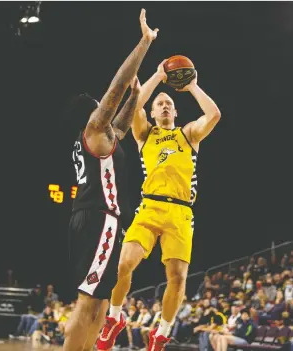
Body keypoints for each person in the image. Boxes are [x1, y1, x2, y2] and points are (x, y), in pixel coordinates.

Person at [98, 60, 221, 351]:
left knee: (177, 278)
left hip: (180, 213)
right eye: (160, 104)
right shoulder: (145, 134)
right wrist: (158, 76)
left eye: (168, 104)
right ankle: (114, 318)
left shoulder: (188, 134)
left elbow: (214, 114)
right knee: (122, 265)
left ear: (175, 112)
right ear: (152, 113)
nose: (165, 106)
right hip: (150, 208)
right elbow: (134, 107)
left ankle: (161, 333)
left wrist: (191, 87)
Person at [63, 9, 159, 351]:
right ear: (90, 114)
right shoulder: (92, 131)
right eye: (97, 105)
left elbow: (123, 114)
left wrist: (141, 91)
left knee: (101, 305)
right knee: (89, 302)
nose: (101, 106)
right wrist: (144, 44)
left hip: (96, 219)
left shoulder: (104, 137)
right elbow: (116, 88)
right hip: (98, 217)